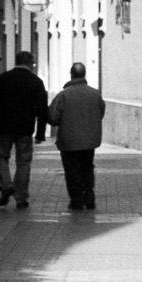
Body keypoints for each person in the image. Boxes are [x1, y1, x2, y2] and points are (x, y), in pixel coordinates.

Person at [0, 51, 48, 209]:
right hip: (25, 128)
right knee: (23, 162)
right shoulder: (36, 82)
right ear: (31, 64)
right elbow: (42, 109)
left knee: (0, 157)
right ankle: (21, 197)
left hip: (5, 126)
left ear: (16, 61)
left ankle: (6, 185)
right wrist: (40, 133)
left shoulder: (4, 78)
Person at [48, 62, 105, 210]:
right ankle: (89, 196)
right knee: (87, 167)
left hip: (69, 141)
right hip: (89, 141)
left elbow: (53, 117)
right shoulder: (95, 94)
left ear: (71, 74)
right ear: (84, 74)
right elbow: (101, 113)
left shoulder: (63, 95)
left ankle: (77, 199)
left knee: (72, 170)